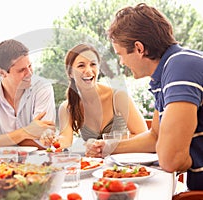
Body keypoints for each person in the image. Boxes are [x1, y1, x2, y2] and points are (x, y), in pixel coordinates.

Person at [86, 3, 203, 190]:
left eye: (121, 54)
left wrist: (183, 155)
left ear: (139, 48)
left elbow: (171, 160)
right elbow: (155, 137)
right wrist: (107, 147)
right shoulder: (166, 74)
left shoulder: (181, 67)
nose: (122, 62)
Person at [42, 43, 147, 149]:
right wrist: (53, 140)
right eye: (81, 65)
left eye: (93, 64)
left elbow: (143, 135)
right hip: (95, 164)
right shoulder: (67, 107)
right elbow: (65, 139)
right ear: (70, 73)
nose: (88, 71)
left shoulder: (118, 97)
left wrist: (107, 144)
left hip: (125, 162)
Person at [0, 39, 56, 153]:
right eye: (21, 70)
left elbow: (43, 142)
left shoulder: (42, 88)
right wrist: (26, 132)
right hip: (0, 166)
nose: (29, 73)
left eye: (30, 66)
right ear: (2, 72)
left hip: (39, 163)